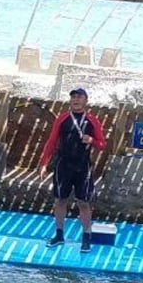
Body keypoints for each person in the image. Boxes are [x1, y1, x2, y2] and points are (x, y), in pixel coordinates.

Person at [38, 87, 107, 249]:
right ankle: (59, 234)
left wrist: (91, 140)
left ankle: (86, 236)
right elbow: (52, 142)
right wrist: (43, 163)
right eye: (73, 97)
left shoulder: (92, 120)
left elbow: (102, 145)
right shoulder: (62, 119)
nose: (76, 100)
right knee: (60, 200)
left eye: (79, 97)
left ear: (86, 101)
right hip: (63, 164)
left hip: (83, 166)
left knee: (83, 203)